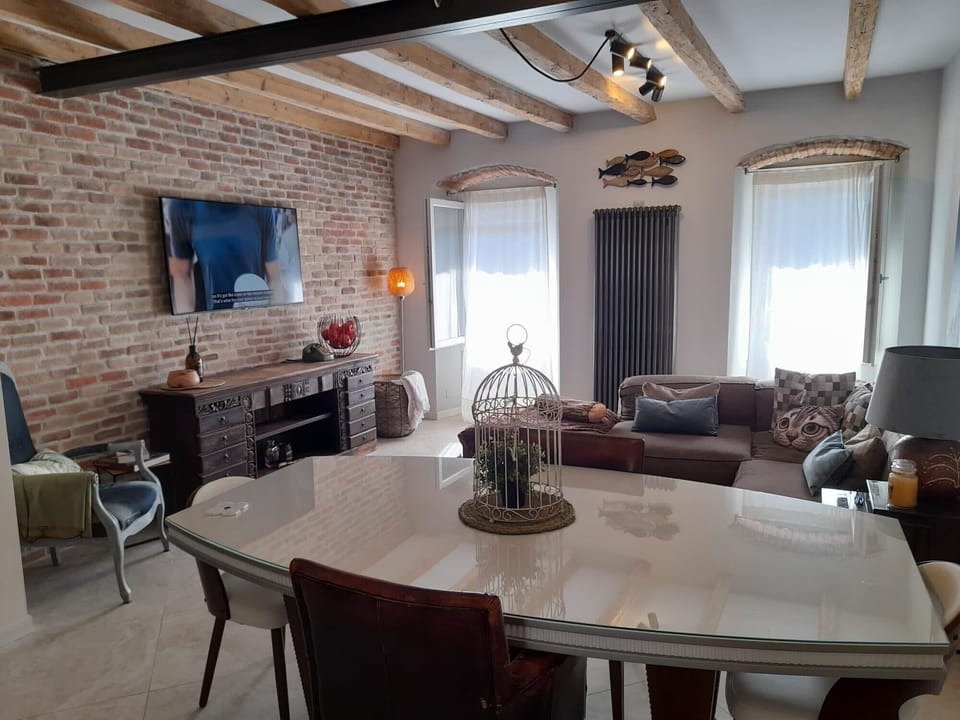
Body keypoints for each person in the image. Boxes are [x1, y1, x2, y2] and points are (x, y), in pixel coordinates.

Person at [164, 198, 283, 313]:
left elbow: (274, 278)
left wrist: (271, 316)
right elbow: (182, 275)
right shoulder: (182, 205)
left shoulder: (260, 207)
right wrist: (187, 322)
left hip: (256, 313)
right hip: (215, 316)